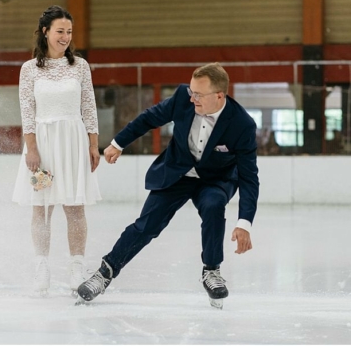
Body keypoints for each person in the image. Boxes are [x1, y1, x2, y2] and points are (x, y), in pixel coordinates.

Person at [77, 62, 259, 309]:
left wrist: (244, 223)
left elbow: (249, 176)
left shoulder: (242, 124)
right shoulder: (183, 98)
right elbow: (149, 118)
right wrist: (118, 143)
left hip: (216, 179)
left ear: (219, 95)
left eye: (199, 94)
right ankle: (105, 272)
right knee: (147, 225)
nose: (192, 98)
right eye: (192, 92)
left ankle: (212, 271)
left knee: (214, 205)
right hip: (177, 172)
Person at [12, 5, 101, 296]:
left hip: (73, 141)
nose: (65, 37)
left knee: (75, 207)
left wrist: (92, 144)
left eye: (69, 32)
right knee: (42, 208)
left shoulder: (80, 66)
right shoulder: (29, 69)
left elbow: (88, 105)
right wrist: (32, 148)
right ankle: (42, 268)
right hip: (43, 144)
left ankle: (77, 267)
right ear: (46, 32)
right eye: (60, 31)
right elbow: (27, 110)